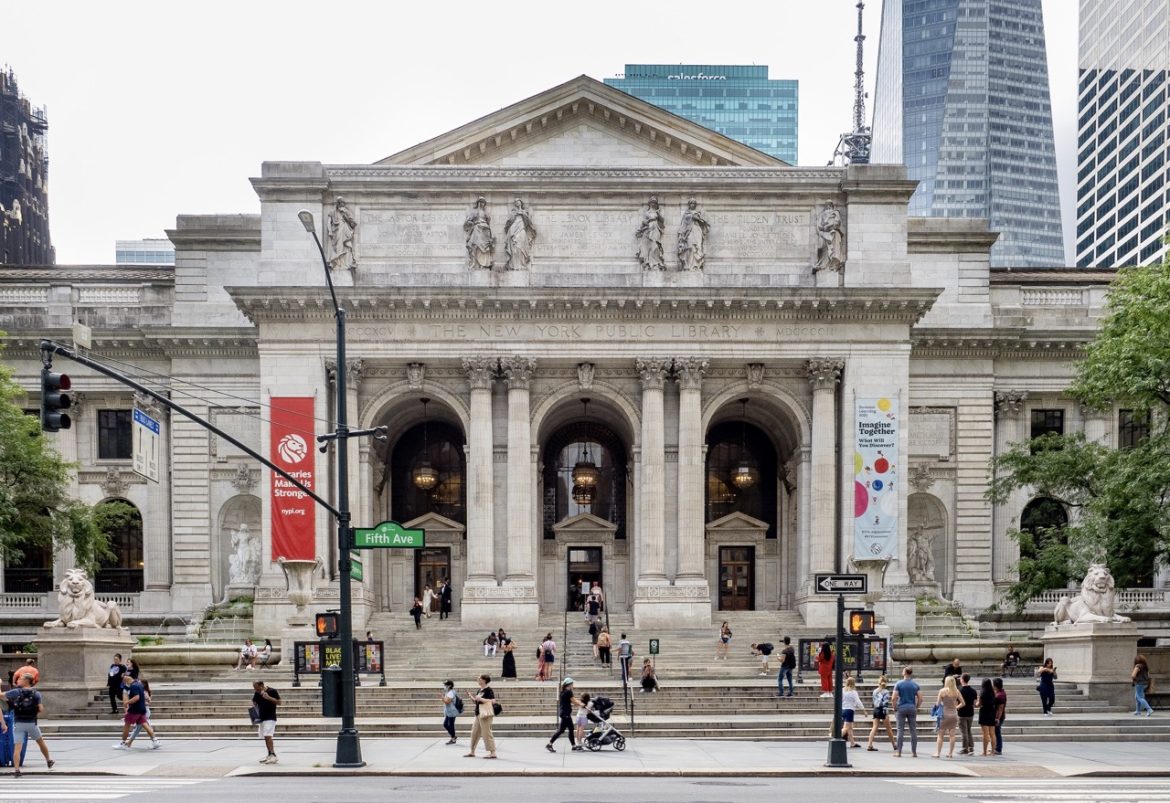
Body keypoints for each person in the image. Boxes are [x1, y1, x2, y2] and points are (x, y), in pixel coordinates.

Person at [4, 672, 54, 777]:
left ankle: (17, 770)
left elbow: (2, 696)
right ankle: (48, 760)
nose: (18, 680)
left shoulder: (16, 692)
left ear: (26, 681)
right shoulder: (36, 694)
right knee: (40, 742)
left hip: (19, 723)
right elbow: (41, 709)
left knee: (17, 748)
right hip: (32, 723)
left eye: (20, 678)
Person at [114, 671, 160, 750]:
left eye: (123, 680)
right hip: (142, 709)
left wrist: (127, 702)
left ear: (126, 678)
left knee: (127, 725)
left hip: (135, 709)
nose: (123, 682)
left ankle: (123, 743)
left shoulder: (134, 686)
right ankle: (155, 741)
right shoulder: (139, 684)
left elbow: (137, 697)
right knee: (145, 725)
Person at [891, 666, 922, 758]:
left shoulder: (898, 684)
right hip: (912, 707)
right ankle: (914, 752)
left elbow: (893, 698)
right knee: (913, 730)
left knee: (900, 730)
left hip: (901, 707)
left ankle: (899, 752)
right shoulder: (915, 685)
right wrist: (916, 707)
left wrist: (895, 707)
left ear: (904, 673)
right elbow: (920, 698)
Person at [465, 674, 497, 759]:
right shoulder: (479, 690)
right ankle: (472, 751)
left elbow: (493, 701)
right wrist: (471, 697)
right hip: (478, 713)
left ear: (484, 680)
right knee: (474, 732)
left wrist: (481, 699)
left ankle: (493, 752)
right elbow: (476, 702)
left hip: (485, 714)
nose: (478, 680)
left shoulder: (488, 690)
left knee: (486, 733)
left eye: (479, 679)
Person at [546, 677, 581, 752]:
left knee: (564, 730)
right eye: (572, 684)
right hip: (566, 714)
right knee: (567, 729)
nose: (573, 685)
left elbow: (573, 700)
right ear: (569, 684)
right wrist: (582, 705)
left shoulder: (563, 691)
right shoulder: (568, 692)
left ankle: (551, 744)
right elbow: (574, 701)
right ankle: (550, 744)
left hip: (564, 713)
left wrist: (580, 703)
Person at [252, 680, 281, 764]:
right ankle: (269, 755)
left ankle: (273, 755)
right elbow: (254, 701)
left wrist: (269, 697)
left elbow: (279, 702)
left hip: (270, 717)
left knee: (268, 736)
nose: (256, 690)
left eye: (257, 688)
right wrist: (254, 708)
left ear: (262, 686)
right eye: (254, 688)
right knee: (265, 736)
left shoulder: (272, 691)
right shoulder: (257, 693)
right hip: (261, 717)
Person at [677, 197, 709, 272]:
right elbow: (683, 224)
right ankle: (688, 265)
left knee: (698, 247)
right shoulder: (687, 214)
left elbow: (703, 223)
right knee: (690, 247)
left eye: (694, 203)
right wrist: (681, 233)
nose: (693, 205)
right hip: (689, 232)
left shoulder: (698, 214)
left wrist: (699, 219)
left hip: (697, 230)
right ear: (689, 205)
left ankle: (695, 266)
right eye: (691, 203)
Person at [504, 198, 536, 271]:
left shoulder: (524, 212)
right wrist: (515, 214)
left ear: (521, 203)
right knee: (514, 248)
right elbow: (509, 222)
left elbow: (528, 222)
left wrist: (522, 214)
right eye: (516, 202)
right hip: (513, 230)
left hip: (521, 229)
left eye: (518, 202)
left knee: (521, 246)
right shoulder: (513, 212)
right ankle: (514, 265)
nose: (517, 203)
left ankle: (522, 264)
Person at [326, 197, 357, 272]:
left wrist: (345, 214)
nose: (342, 204)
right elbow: (328, 223)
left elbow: (353, 223)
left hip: (345, 231)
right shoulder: (332, 212)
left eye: (343, 203)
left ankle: (346, 263)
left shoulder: (346, 212)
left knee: (347, 246)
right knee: (338, 247)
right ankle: (336, 263)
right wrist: (330, 231)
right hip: (336, 232)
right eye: (340, 203)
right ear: (338, 204)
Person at [933, 676, 961, 758]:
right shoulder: (957, 692)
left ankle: (938, 753)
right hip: (953, 715)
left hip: (944, 714)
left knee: (940, 734)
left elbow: (938, 704)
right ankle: (950, 753)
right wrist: (955, 707)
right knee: (952, 735)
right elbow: (963, 703)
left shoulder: (942, 691)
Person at [866, 675, 896, 751]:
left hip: (876, 709)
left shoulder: (875, 691)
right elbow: (885, 703)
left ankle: (869, 744)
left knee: (874, 727)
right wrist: (886, 713)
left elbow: (874, 701)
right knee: (888, 728)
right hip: (883, 710)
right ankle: (894, 745)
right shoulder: (886, 692)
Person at [463, 197, 495, 269]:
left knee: (486, 247)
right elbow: (467, 221)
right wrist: (471, 223)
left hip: (485, 230)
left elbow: (488, 222)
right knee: (476, 245)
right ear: (478, 203)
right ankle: (475, 263)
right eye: (481, 202)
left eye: (483, 202)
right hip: (477, 229)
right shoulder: (474, 212)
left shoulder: (485, 213)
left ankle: (484, 264)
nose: (482, 204)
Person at [635, 196, 665, 270]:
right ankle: (650, 263)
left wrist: (658, 213)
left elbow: (662, 220)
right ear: (649, 204)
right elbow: (644, 222)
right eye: (652, 202)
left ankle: (656, 262)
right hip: (649, 229)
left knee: (655, 246)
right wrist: (649, 220)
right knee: (649, 246)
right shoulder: (647, 213)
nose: (653, 204)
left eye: (654, 202)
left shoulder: (658, 212)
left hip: (656, 229)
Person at [125, 678, 154, 747]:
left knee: (137, 729)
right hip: (144, 710)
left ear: (143, 684)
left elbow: (149, 701)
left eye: (139, 682)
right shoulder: (143, 690)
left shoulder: (143, 691)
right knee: (145, 727)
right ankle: (155, 740)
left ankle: (129, 742)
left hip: (144, 711)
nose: (138, 683)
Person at [840, 676, 865, 748]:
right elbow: (858, 702)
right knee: (846, 727)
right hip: (849, 711)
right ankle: (837, 738)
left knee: (850, 728)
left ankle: (852, 743)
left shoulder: (842, 690)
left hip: (843, 710)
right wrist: (864, 710)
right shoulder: (853, 692)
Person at [957, 673, 978, 755]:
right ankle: (971, 747)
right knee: (969, 730)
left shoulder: (960, 691)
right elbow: (975, 703)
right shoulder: (973, 691)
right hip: (970, 712)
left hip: (962, 713)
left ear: (962, 680)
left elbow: (957, 702)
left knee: (964, 732)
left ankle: (964, 748)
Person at [976, 678, 997, 756]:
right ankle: (993, 751)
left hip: (984, 712)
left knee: (985, 734)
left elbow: (978, 704)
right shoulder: (993, 693)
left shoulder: (982, 693)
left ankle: (984, 752)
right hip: (992, 712)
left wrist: (976, 703)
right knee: (992, 733)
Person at [992, 677, 1007, 755]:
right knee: (996, 732)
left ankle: (998, 749)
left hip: (999, 716)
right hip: (999, 715)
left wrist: (997, 718)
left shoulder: (1000, 695)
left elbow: (1000, 708)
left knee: (997, 732)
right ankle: (995, 747)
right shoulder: (1000, 693)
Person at [441, 680, 459, 745]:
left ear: (450, 686)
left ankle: (453, 738)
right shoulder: (449, 692)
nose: (445, 686)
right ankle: (453, 736)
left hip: (452, 711)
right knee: (446, 724)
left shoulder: (451, 692)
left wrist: (443, 698)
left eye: (446, 685)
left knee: (449, 725)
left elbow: (447, 702)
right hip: (450, 711)